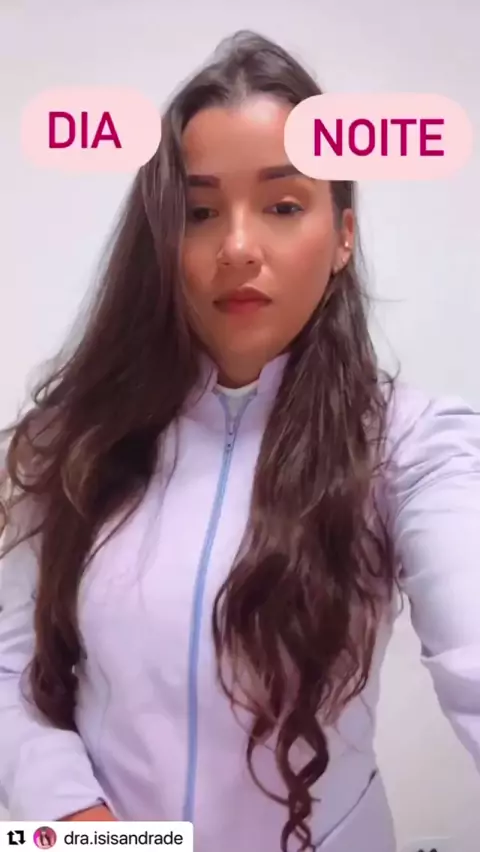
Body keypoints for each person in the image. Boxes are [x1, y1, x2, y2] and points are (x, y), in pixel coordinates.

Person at [0, 30, 479, 852]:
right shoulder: (75, 440)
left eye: (284, 206)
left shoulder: (413, 446)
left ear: (343, 236)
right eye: (199, 212)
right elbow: (9, 670)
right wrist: (84, 827)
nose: (237, 247)